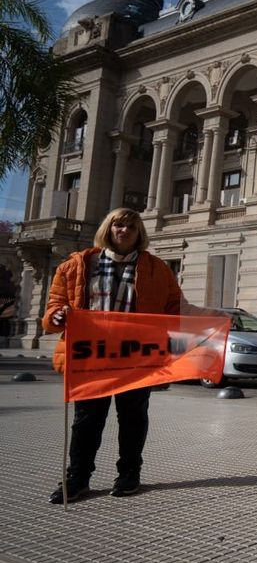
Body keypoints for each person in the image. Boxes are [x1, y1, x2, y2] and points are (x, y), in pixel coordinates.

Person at [43, 208, 183, 503]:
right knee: (86, 420)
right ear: (109, 228)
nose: (124, 231)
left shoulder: (158, 268)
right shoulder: (78, 265)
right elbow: (54, 308)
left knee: (133, 417)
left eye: (131, 227)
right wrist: (58, 316)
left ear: (139, 234)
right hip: (91, 357)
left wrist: (171, 350)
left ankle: (129, 474)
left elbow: (173, 310)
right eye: (118, 225)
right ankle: (77, 478)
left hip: (135, 357)